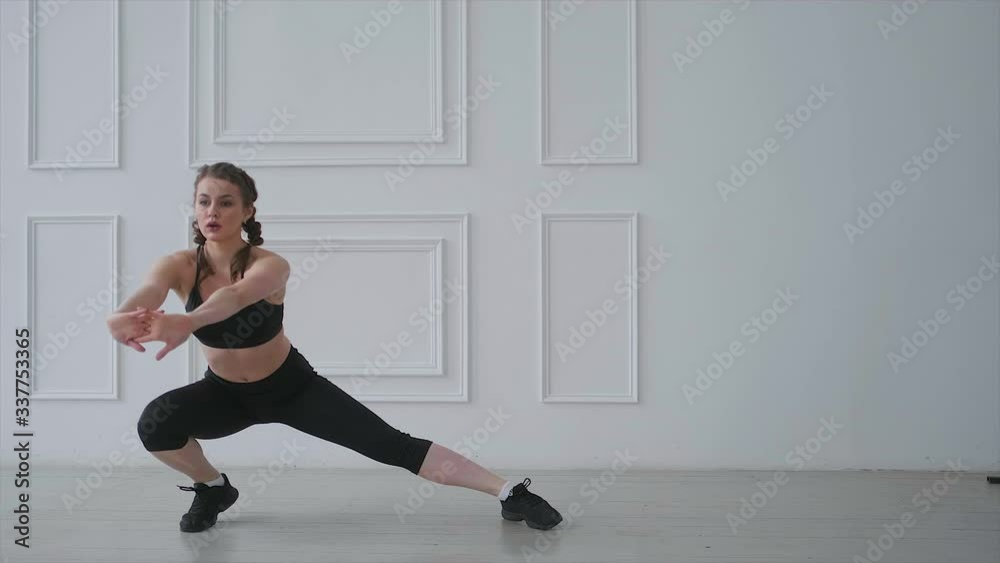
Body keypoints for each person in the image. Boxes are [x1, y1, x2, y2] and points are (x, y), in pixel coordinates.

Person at [106, 162, 563, 533]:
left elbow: (236, 297)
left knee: (393, 446)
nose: (213, 211)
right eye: (204, 201)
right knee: (155, 425)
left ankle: (508, 493)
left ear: (247, 211)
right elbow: (146, 295)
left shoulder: (270, 266)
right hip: (225, 394)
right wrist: (120, 318)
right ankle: (213, 488)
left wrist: (187, 321)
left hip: (292, 388)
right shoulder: (178, 265)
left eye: (226, 202)